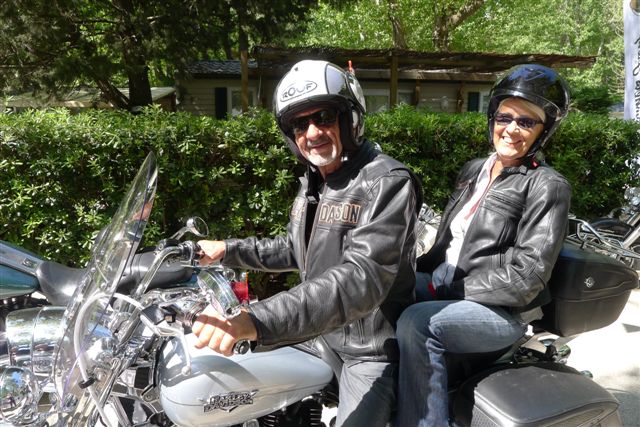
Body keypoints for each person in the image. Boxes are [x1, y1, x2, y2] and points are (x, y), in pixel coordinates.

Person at [192, 59, 421, 426]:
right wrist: (227, 250)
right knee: (218, 379)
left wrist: (256, 318)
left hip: (367, 350)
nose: (312, 132)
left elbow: (362, 279)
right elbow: (294, 247)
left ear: (350, 119)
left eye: (324, 117)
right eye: (300, 124)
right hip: (318, 334)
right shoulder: (315, 181)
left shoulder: (386, 181)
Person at [395, 64, 572, 426]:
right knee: (376, 292)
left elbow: (527, 278)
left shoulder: (547, 185)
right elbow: (445, 245)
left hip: (500, 312)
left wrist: (449, 288)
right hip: (447, 288)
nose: (511, 129)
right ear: (492, 118)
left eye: (526, 121)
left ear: (544, 130)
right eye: (504, 117)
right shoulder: (474, 170)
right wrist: (400, 271)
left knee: (417, 322)